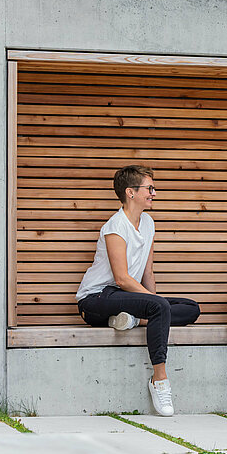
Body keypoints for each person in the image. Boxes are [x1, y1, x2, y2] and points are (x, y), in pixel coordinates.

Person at [75, 165, 200, 417]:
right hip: (96, 300)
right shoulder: (115, 226)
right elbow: (121, 278)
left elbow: (147, 272)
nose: (154, 193)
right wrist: (155, 304)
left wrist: (155, 304)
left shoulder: (148, 223)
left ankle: (132, 320)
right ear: (130, 192)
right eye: (149, 188)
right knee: (159, 306)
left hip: (126, 298)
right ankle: (160, 380)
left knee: (191, 308)